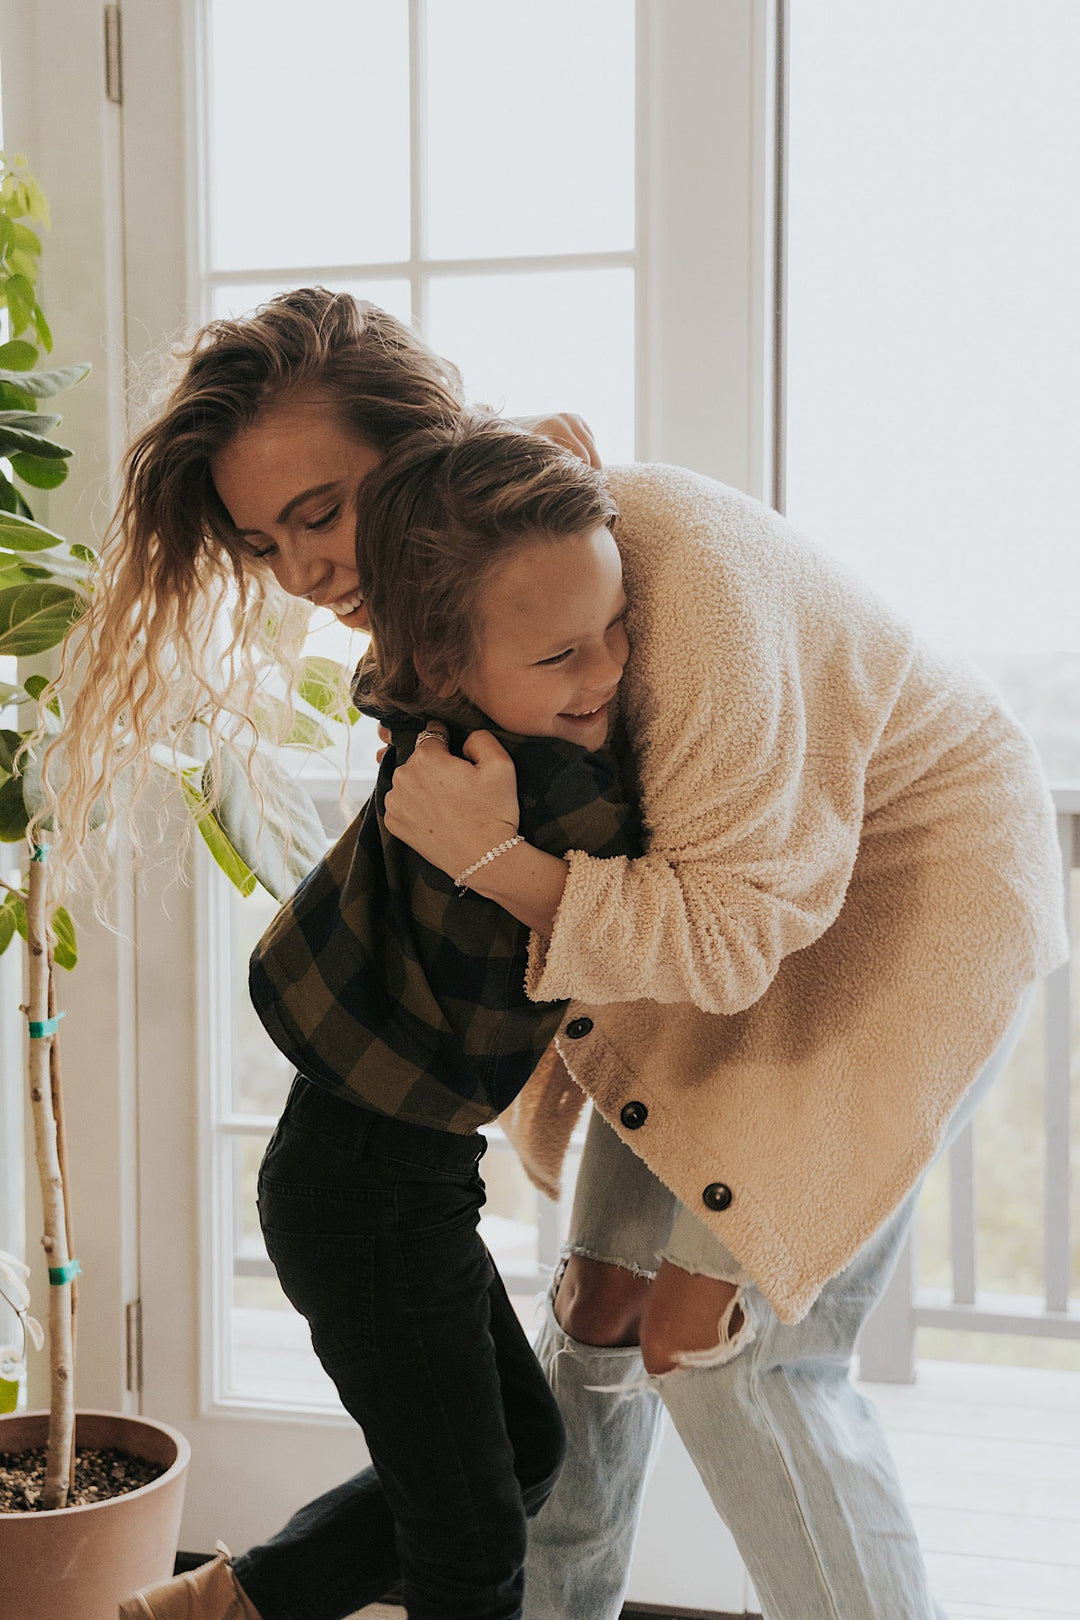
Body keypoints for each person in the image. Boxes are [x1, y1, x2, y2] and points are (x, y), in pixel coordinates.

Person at [47, 289, 1066, 1620]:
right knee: (592, 1326)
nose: (301, 573)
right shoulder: (469, 603)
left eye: (320, 511)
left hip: (903, 897)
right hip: (710, 908)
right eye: (263, 543)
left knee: (731, 1356)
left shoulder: (657, 580)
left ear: (422, 442)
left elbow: (716, 922)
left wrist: (501, 864)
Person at [122, 415, 646, 1620]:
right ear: (452, 662)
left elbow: (399, 652)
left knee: (521, 1453)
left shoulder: (427, 700)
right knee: (468, 1544)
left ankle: (229, 1604)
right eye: (564, 655)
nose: (611, 671)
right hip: (364, 1185)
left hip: (386, 1168)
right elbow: (691, 922)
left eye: (618, 629)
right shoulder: (547, 793)